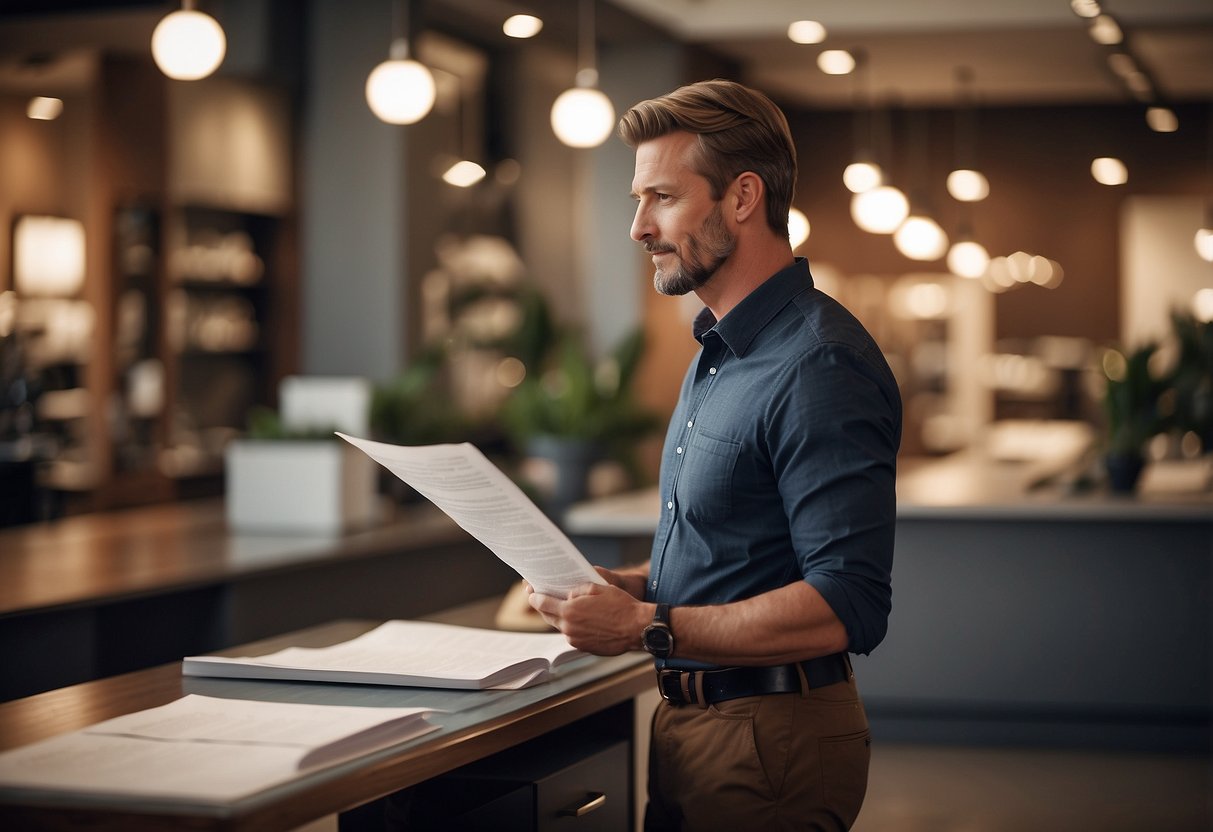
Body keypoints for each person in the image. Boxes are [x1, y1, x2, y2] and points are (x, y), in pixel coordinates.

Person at [528, 79, 902, 831]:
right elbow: (743, 552)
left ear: (740, 198)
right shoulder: (719, 351)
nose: (638, 228)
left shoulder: (819, 364)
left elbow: (845, 603)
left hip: (770, 741)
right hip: (690, 727)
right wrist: (627, 591)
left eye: (661, 197)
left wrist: (644, 626)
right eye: (635, 200)